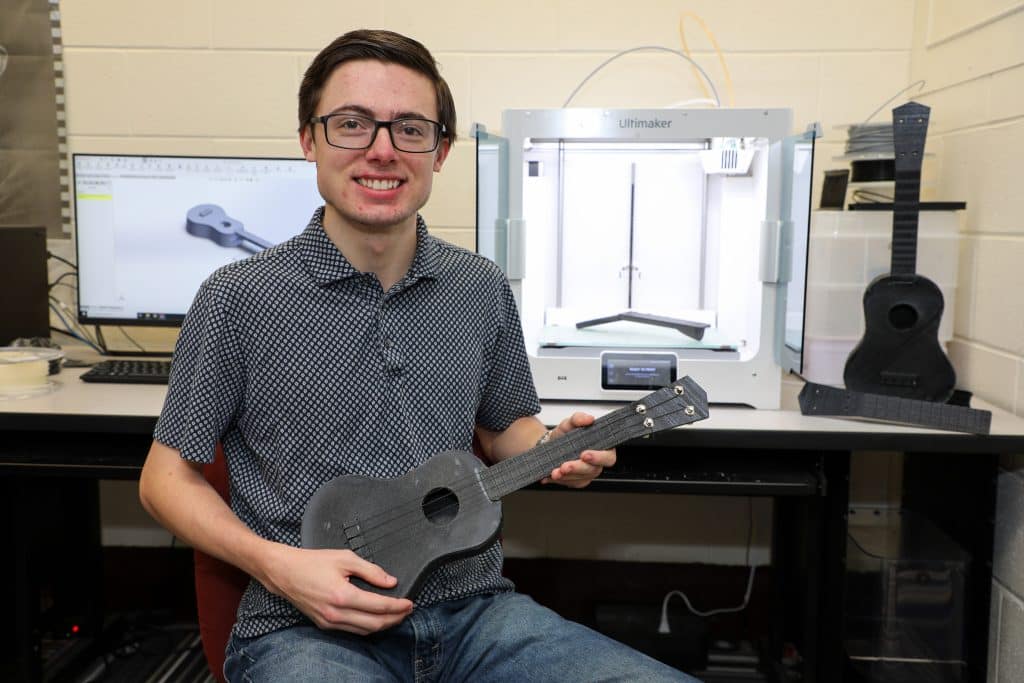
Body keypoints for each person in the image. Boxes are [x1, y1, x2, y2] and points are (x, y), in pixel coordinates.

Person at [139, 28, 698, 682]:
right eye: (352, 124)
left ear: (441, 150)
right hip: (304, 627)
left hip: (475, 615)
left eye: (409, 128)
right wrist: (276, 564)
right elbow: (163, 479)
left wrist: (552, 446)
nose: (382, 150)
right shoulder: (237, 297)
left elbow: (505, 428)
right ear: (308, 139)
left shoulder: (481, 286)